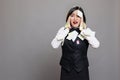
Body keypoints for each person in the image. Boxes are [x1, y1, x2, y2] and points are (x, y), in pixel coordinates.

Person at [51, 6, 100, 80]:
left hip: (82, 70)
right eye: (72, 16)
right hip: (66, 70)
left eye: (78, 16)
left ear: (82, 19)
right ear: (68, 18)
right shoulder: (63, 31)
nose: (75, 19)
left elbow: (96, 45)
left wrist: (83, 30)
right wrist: (66, 30)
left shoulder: (86, 31)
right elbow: (54, 45)